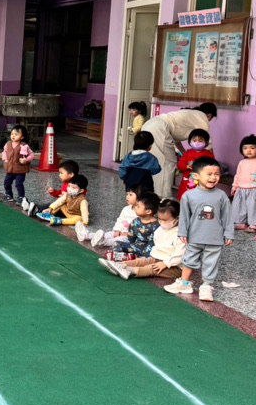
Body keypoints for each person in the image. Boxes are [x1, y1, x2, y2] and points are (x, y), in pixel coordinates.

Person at [166, 156, 234, 302]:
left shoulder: (222, 196)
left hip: (215, 238)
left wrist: (229, 234)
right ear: (196, 176)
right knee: (189, 260)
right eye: (209, 174)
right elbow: (184, 216)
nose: (213, 177)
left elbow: (227, 217)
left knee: (211, 263)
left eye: (217, 174)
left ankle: (207, 287)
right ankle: (184, 284)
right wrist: (182, 232)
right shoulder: (188, 196)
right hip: (194, 236)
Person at [141, 102, 217, 197]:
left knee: (156, 162)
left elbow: (176, 139)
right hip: (159, 128)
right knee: (167, 163)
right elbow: (208, 143)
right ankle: (163, 198)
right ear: (210, 116)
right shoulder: (202, 117)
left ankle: (152, 195)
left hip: (150, 125)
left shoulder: (192, 115)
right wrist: (214, 164)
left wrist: (184, 153)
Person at [100, 198, 184, 280]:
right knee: (143, 261)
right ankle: (120, 264)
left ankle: (129, 270)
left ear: (178, 218)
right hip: (158, 258)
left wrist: (166, 263)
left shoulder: (181, 235)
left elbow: (180, 254)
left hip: (175, 266)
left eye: (165, 220)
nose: (161, 223)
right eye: (160, 219)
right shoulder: (160, 229)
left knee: (151, 269)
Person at [107, 190, 160, 259]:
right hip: (135, 247)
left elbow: (152, 244)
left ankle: (129, 258)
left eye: (138, 207)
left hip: (147, 250)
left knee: (150, 255)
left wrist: (146, 256)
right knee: (116, 243)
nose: (135, 208)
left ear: (148, 211)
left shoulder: (156, 226)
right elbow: (130, 238)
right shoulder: (135, 221)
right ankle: (122, 257)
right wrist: (127, 247)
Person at [230, 135, 256, 232]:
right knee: (240, 206)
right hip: (241, 188)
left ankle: (254, 224)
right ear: (242, 150)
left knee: (254, 207)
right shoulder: (242, 162)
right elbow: (237, 175)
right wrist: (234, 187)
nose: (249, 150)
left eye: (252, 148)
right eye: (245, 148)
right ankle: (241, 223)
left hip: (254, 189)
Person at [175, 128, 213, 200]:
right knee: (186, 199)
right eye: (194, 140)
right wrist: (186, 166)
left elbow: (212, 167)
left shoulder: (208, 155)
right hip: (187, 182)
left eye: (200, 141)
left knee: (201, 199)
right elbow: (180, 166)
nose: (197, 143)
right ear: (190, 142)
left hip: (202, 181)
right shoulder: (187, 154)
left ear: (206, 143)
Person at [1, 124, 34, 204]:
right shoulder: (8, 144)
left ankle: (21, 197)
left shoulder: (24, 146)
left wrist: (26, 160)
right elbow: (4, 152)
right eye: (12, 134)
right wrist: (5, 159)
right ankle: (9, 195)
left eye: (16, 134)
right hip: (10, 169)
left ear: (22, 137)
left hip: (20, 170)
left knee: (19, 184)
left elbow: (32, 154)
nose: (13, 136)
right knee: (6, 183)